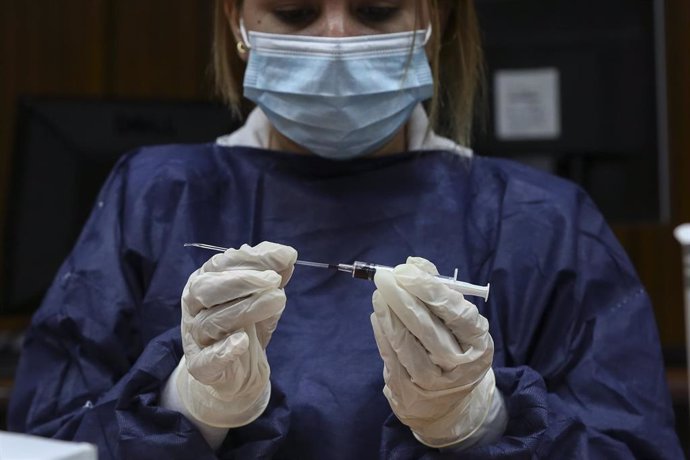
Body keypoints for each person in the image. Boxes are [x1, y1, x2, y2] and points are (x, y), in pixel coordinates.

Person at [7, 0, 683, 458]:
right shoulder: (154, 196)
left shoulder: (542, 221)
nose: (335, 40)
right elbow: (45, 439)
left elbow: (631, 443)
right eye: (296, 12)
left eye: (377, 10)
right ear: (237, 21)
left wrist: (480, 421)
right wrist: (188, 402)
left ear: (434, 18)